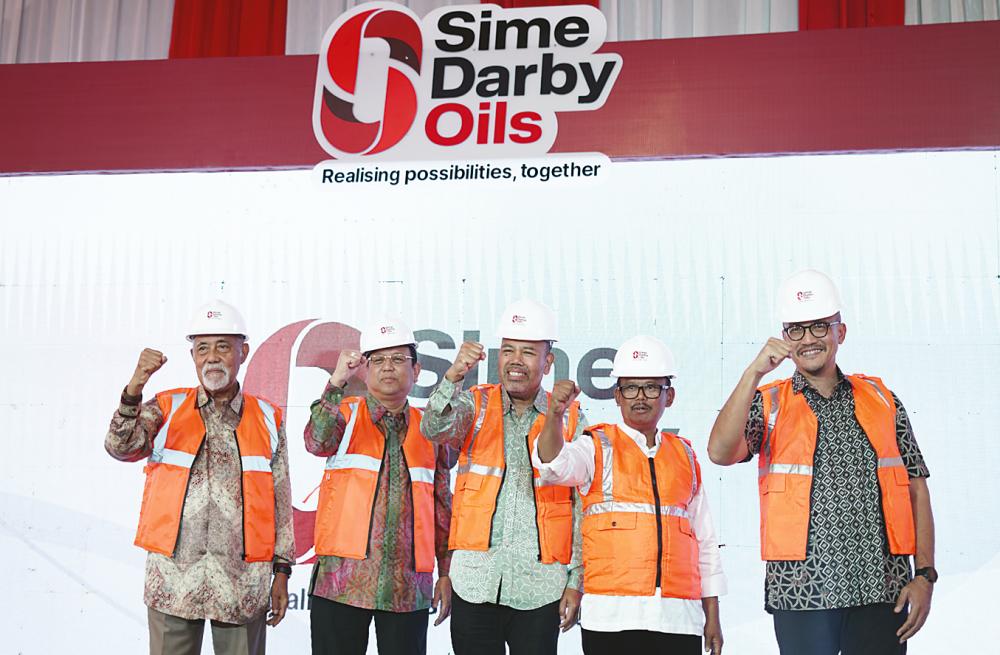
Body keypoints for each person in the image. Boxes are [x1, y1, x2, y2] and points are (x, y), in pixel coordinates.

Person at [707, 270, 935, 655]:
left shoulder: (883, 399)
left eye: (819, 327)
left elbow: (915, 487)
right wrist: (753, 373)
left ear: (839, 333)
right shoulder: (768, 402)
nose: (808, 339)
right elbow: (720, 452)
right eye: (796, 329)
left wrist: (926, 574)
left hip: (882, 589)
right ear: (783, 337)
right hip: (802, 592)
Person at [105, 299, 294, 655]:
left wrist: (282, 571)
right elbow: (120, 446)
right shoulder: (165, 407)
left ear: (244, 352)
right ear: (192, 356)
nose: (212, 357)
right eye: (202, 348)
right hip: (173, 582)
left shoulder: (268, 418)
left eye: (223, 346)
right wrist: (135, 386)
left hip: (242, 583)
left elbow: (280, 500)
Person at [533, 335, 725, 655]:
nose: (641, 396)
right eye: (630, 388)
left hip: (678, 619)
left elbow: (705, 542)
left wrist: (713, 616)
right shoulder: (595, 446)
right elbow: (552, 464)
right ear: (617, 396)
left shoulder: (685, 456)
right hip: (611, 620)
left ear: (670, 395)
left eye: (652, 387)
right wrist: (554, 415)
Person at [420, 299, 584, 655]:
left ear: (548, 361)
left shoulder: (569, 419)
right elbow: (432, 428)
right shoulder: (474, 405)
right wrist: (452, 376)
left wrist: (577, 579)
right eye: (508, 350)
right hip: (474, 582)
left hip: (540, 586)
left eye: (528, 352)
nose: (515, 360)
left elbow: (581, 505)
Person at [304, 317, 455, 655]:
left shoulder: (429, 430)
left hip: (407, 589)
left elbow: (443, 507)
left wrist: (446, 572)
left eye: (399, 359)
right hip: (341, 584)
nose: (389, 367)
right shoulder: (343, 414)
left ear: (416, 371)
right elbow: (315, 441)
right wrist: (336, 381)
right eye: (379, 360)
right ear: (366, 369)